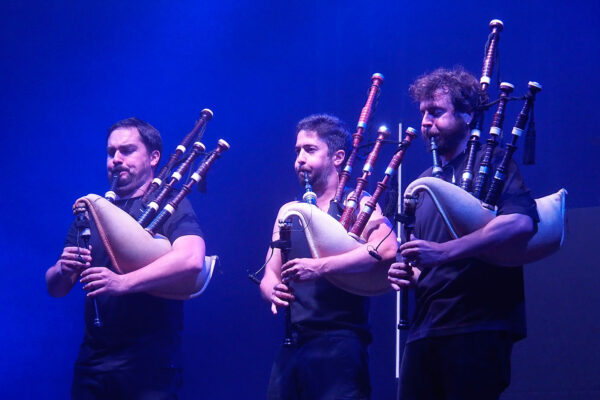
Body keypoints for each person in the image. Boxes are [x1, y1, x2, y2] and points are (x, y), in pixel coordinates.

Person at [388, 68, 539, 400]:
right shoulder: (424, 182)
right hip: (424, 329)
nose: (426, 123)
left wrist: (444, 252)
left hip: (478, 325)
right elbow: (420, 258)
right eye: (423, 114)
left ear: (468, 115)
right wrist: (407, 271)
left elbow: (520, 223)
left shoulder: (496, 161)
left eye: (437, 112)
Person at [45, 117, 205, 399]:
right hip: (92, 367)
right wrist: (62, 268)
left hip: (149, 368)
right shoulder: (93, 212)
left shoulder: (170, 204)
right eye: (111, 152)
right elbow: (56, 288)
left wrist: (123, 283)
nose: (116, 159)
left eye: (127, 150)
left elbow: (192, 259)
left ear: (154, 157)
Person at [260, 114, 397, 400]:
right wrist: (271, 289)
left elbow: (386, 248)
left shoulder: (359, 202)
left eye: (310, 150)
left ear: (338, 157)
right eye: (297, 150)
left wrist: (321, 267)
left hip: (341, 342)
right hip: (293, 342)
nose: (300, 158)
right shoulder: (289, 212)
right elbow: (269, 272)